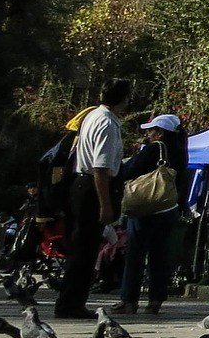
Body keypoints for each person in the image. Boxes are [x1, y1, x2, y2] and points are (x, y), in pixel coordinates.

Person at [56, 80, 126, 319]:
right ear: (122, 100)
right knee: (85, 250)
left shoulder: (91, 116)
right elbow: (101, 167)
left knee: (81, 247)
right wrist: (105, 205)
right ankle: (72, 303)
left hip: (81, 184)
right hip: (92, 188)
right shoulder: (106, 123)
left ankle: (70, 300)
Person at [116, 114, 188, 315]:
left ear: (160, 132)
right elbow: (182, 181)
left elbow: (130, 170)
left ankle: (129, 300)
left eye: (151, 130)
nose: (148, 134)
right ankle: (155, 299)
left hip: (146, 208)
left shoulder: (154, 148)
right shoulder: (181, 151)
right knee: (160, 255)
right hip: (168, 209)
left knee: (135, 254)